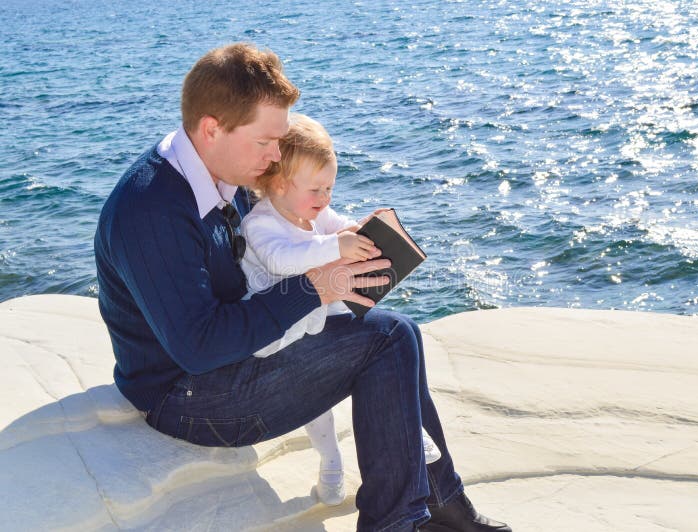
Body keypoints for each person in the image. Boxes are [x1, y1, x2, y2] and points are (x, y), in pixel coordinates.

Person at [94, 42, 510, 531]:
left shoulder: (223, 171)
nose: (276, 157)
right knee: (387, 340)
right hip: (184, 398)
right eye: (266, 142)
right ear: (211, 129)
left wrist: (342, 241)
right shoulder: (152, 210)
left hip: (231, 363)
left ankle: (442, 501)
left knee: (400, 332)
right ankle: (398, 523)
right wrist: (316, 287)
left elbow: (278, 239)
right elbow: (199, 347)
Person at [240, 112, 441, 506]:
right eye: (316, 189)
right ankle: (331, 459)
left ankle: (409, 430)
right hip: (279, 335)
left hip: (320, 315)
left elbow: (339, 225)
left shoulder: (311, 211)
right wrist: (336, 247)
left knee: (387, 347)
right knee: (317, 410)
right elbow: (283, 259)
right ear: (279, 184)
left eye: (330, 188)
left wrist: (363, 231)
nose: (325, 199)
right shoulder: (260, 223)